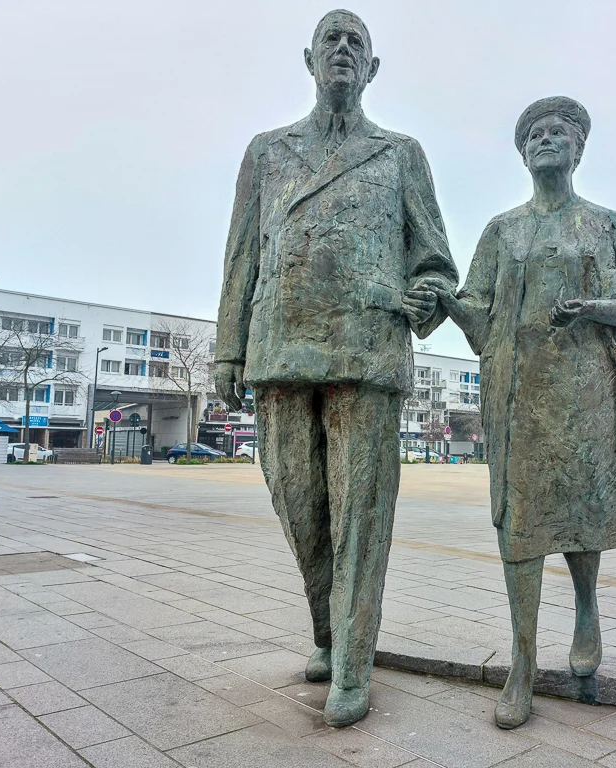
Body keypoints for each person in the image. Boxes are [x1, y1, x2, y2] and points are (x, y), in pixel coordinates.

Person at [213, 10, 457, 727]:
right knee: (301, 508)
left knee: (359, 515)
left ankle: (352, 662)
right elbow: (241, 255)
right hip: (280, 347)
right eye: (332, 39)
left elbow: (434, 259)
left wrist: (428, 293)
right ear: (310, 60)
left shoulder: (400, 153)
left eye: (357, 43)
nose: (344, 50)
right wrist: (229, 346)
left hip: (366, 348)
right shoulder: (267, 152)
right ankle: (328, 628)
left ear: (372, 68)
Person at [421, 96, 616, 729]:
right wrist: (448, 300)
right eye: (534, 135)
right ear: (523, 154)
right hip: (518, 395)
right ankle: (522, 662)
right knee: (520, 525)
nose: (545, 140)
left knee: (582, 510)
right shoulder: (503, 231)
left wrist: (593, 307)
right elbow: (480, 316)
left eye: (558, 132)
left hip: (588, 393)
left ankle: (586, 608)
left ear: (579, 149)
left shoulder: (605, 224)